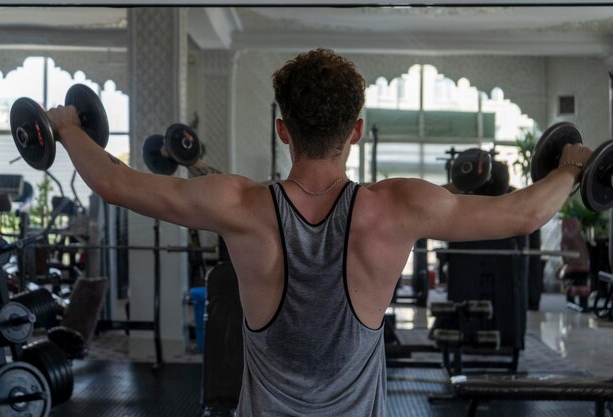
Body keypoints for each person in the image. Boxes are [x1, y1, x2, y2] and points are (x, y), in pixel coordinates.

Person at [47, 48, 591, 417]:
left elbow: (114, 183)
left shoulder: (239, 205)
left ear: (284, 130)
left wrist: (68, 128)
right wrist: (570, 168)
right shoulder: (398, 206)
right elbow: (523, 214)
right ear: (355, 130)